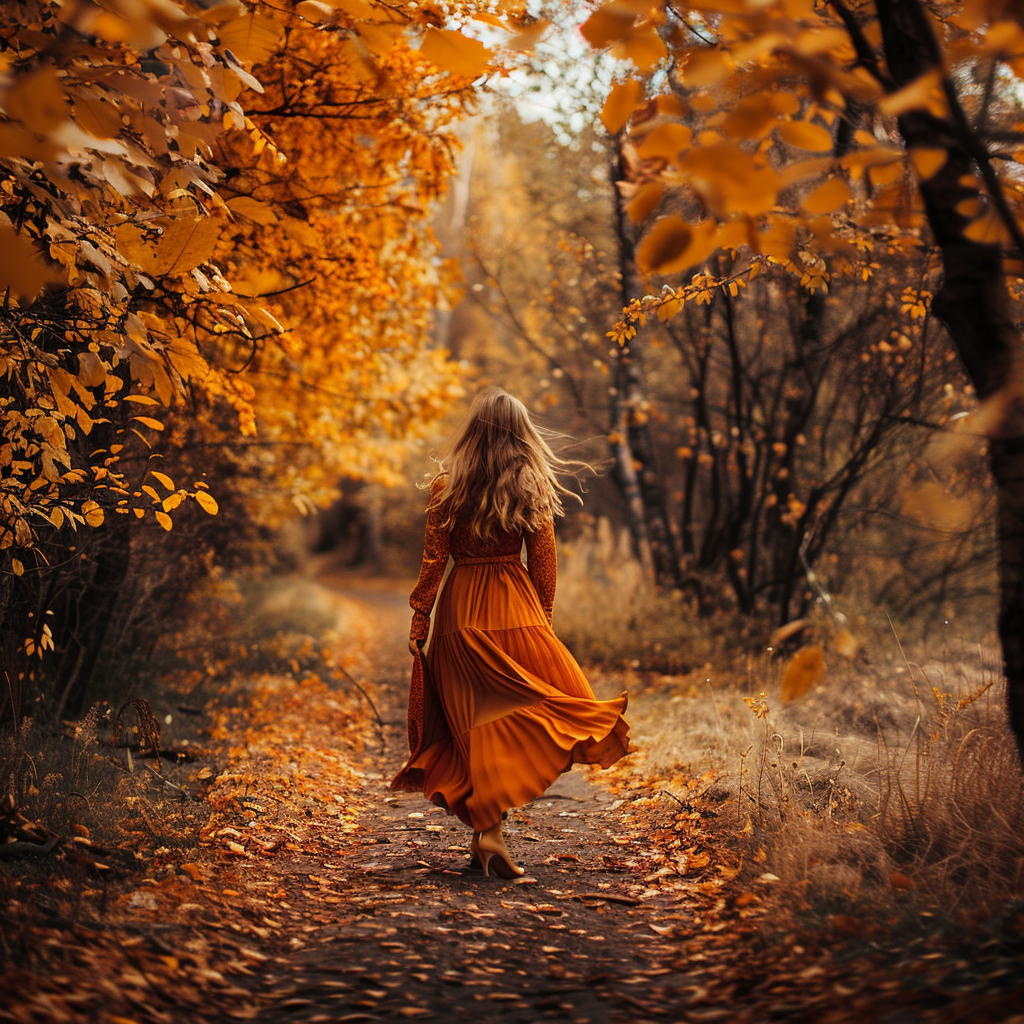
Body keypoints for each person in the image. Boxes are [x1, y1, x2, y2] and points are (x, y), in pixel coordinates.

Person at [391, 388, 630, 878]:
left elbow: (434, 561)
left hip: (460, 614)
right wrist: (542, 620)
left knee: (475, 728)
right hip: (515, 606)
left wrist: (422, 618)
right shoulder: (532, 485)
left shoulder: (446, 487)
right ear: (522, 433)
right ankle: (490, 836)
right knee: (526, 714)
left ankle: (488, 838)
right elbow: (544, 565)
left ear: (472, 431)